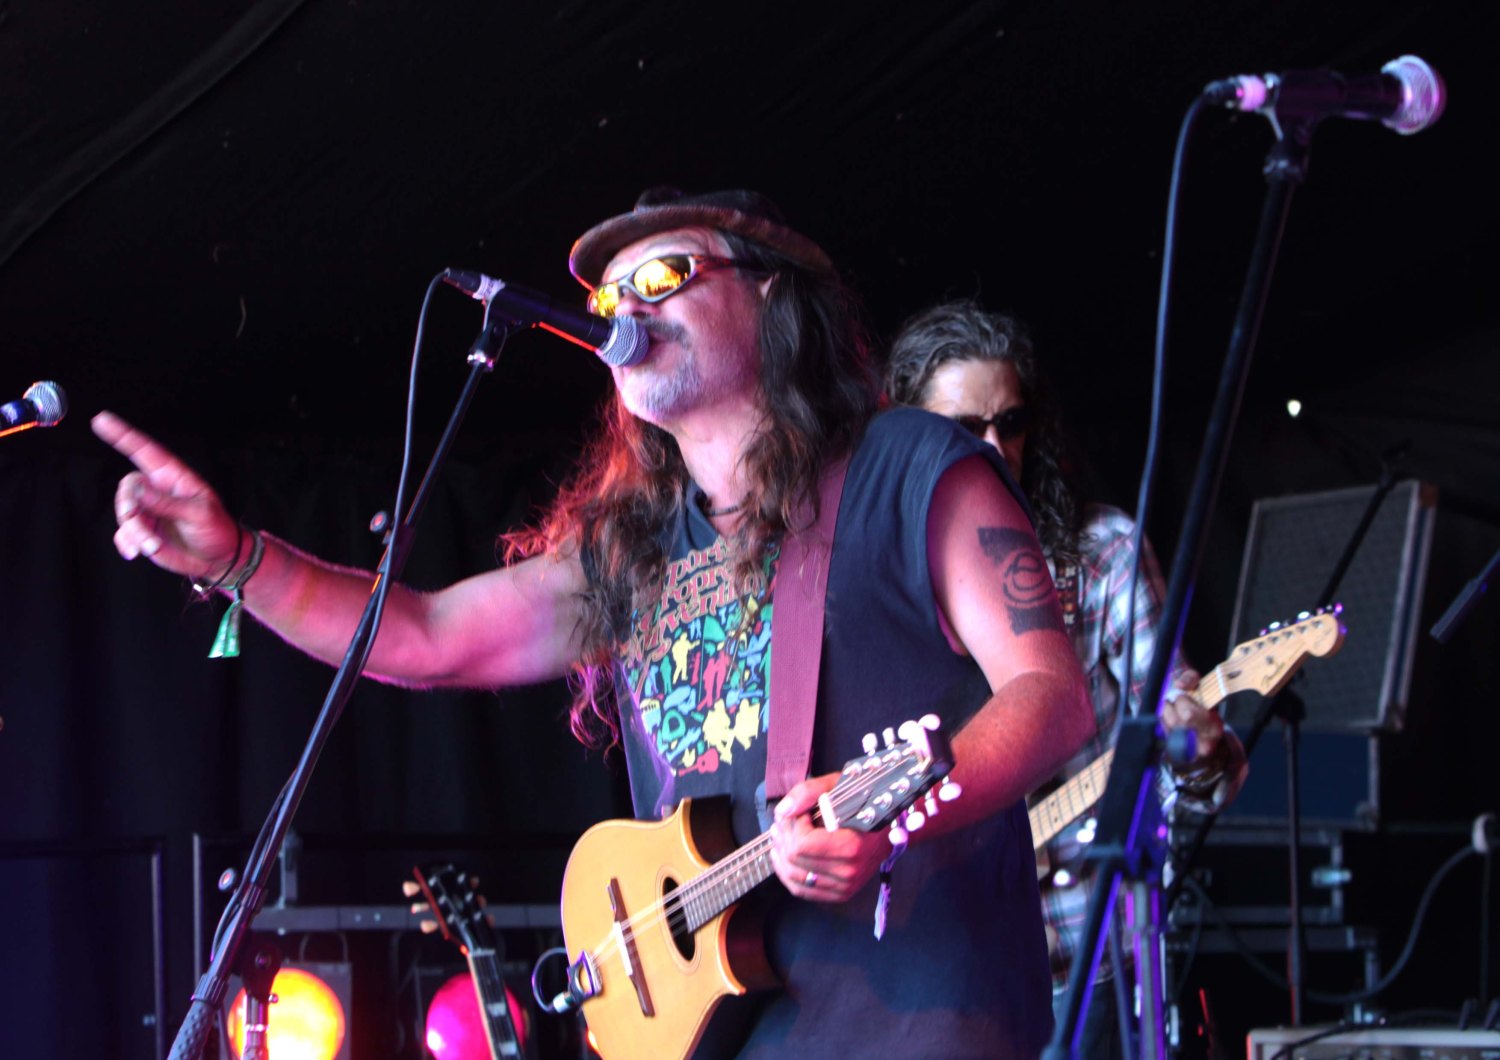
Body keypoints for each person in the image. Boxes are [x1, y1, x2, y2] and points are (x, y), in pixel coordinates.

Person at [94, 190, 1094, 1058]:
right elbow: (424, 637)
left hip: (921, 1030)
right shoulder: (635, 550)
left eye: (665, 274)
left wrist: (906, 814)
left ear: (771, 292)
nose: (629, 310)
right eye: (610, 300)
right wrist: (236, 557)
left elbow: (1052, 697)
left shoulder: (910, 467)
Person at [885, 300, 1247, 1057]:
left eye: (1010, 424)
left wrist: (1201, 753)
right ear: (906, 433)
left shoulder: (1100, 553)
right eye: (964, 429)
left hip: (1086, 959)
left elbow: (1179, 731)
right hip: (936, 968)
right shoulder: (877, 574)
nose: (994, 449)